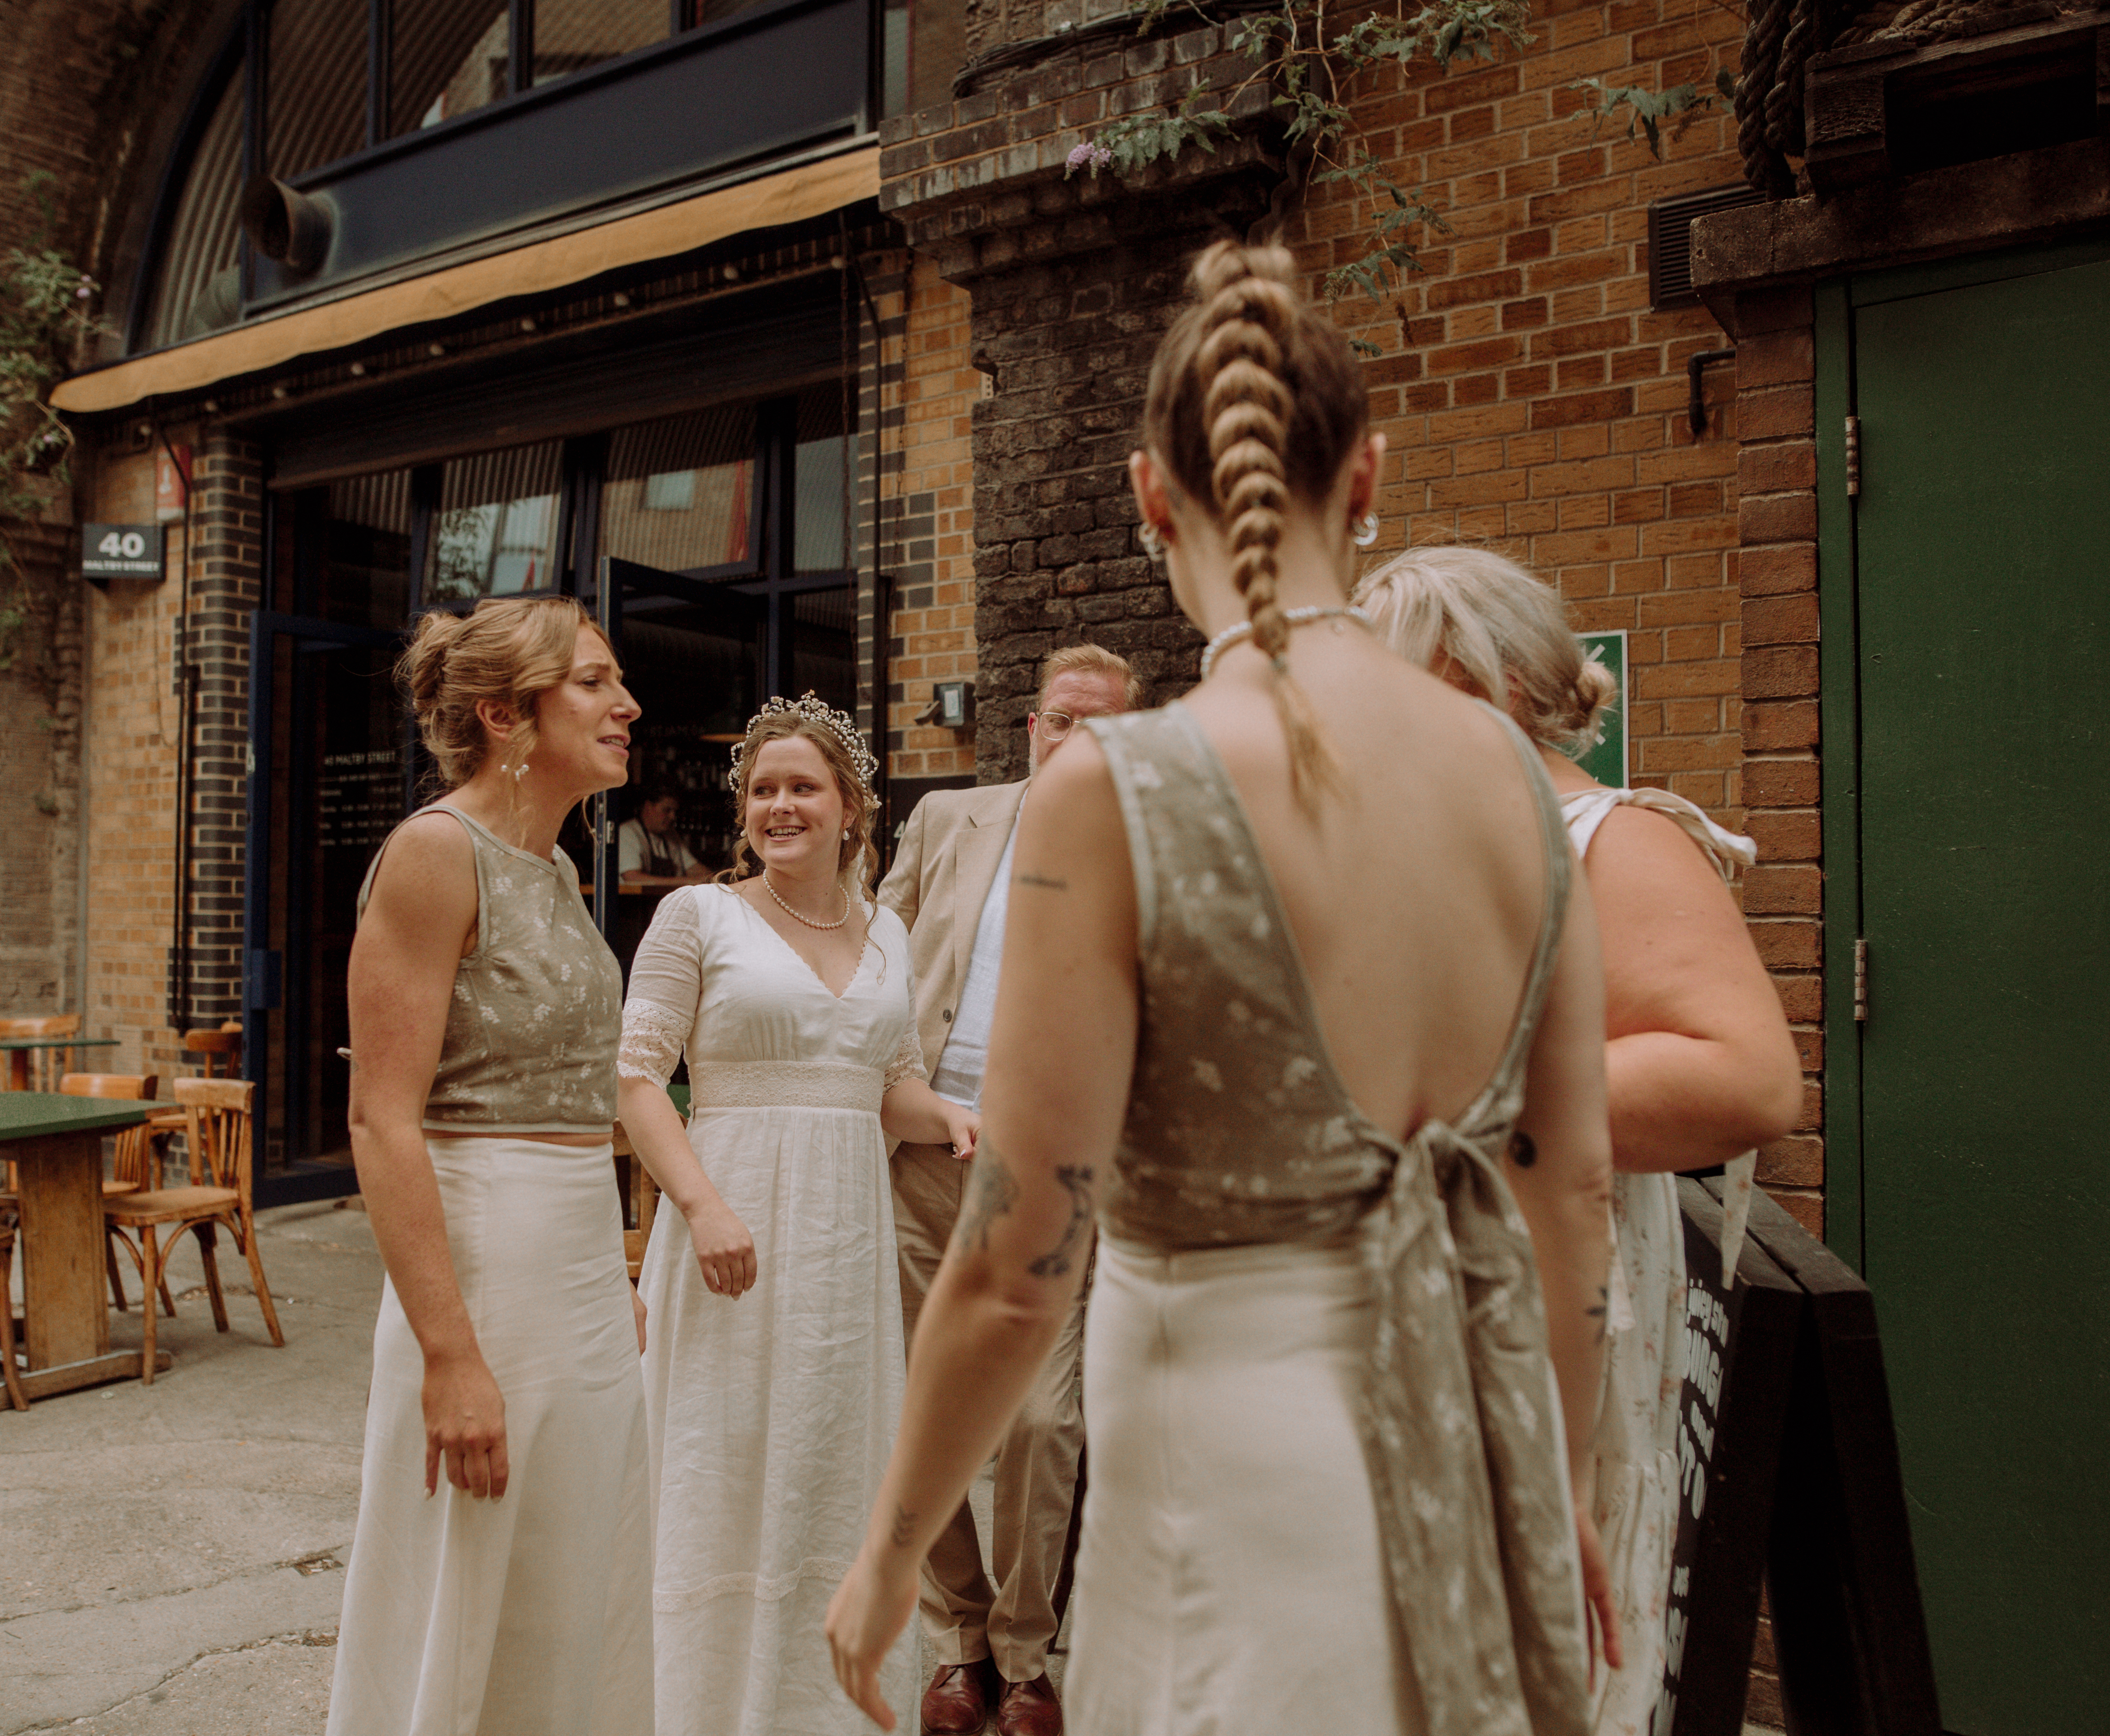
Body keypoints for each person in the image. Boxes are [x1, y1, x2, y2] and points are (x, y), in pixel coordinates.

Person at [826, 241, 1623, 1736]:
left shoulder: (1119, 788)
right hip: (1469, 1440)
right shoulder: (1520, 780)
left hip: (1227, 1475)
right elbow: (1570, 1191)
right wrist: (1562, 1483)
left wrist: (886, 1553)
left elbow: (1015, 1267)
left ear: (1149, 496)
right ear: (1367, 477)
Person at [1358, 545, 1803, 1736]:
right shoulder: (1427, 845)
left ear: (1487, 681)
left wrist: (1442, 1102)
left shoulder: (1613, 836)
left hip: (1544, 1307)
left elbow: (1745, 1076)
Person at [618, 693, 983, 1736]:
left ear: (849, 807)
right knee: (723, 1461)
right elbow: (635, 1079)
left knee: (829, 1458)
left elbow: (889, 1088)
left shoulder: (889, 933)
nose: (779, 806)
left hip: (843, 1247)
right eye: (762, 789)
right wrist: (701, 1206)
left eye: (802, 787)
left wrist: (956, 1117)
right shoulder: (697, 918)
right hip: (729, 1230)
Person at [329, 595, 654, 1736]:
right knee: (467, 1579)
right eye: (594, 682)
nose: (627, 705)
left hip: (578, 1271)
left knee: (572, 1580)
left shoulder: (555, 867)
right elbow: (381, 1120)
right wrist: (450, 1354)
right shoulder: (434, 853)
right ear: (504, 715)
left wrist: (609, 1269)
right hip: (485, 1274)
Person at [875, 642, 1143, 1736]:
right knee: (920, 1402)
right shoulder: (948, 820)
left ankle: (1028, 1653)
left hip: (1059, 1169)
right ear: (1032, 729)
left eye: (1101, 724)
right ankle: (960, 1643)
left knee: (1043, 1417)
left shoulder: (1153, 850)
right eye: (1061, 718)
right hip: (924, 1151)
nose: (1077, 737)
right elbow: (877, 956)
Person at [620, 784, 707, 882]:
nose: (673, 817)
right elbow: (632, 878)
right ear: (648, 807)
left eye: (675, 812)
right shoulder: (627, 833)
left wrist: (712, 878)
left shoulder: (671, 835)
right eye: (667, 810)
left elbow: (694, 868)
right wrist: (685, 882)